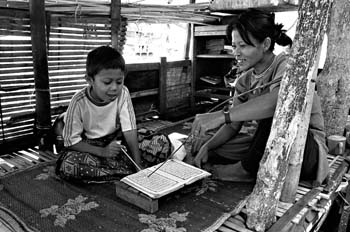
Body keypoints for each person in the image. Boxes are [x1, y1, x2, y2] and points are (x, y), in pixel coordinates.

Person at [191, 9, 329, 185]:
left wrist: (221, 115)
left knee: (276, 115)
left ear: (265, 44)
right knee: (204, 143)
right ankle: (246, 161)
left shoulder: (287, 65)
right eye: (234, 46)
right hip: (269, 144)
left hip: (303, 149)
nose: (236, 53)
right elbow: (233, 126)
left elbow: (278, 104)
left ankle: (244, 170)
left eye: (243, 46)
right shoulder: (244, 81)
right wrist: (208, 146)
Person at [56, 46, 142, 182]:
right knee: (69, 164)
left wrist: (139, 166)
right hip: (90, 146)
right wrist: (103, 152)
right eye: (107, 82)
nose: (114, 88)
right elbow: (71, 141)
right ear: (90, 80)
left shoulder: (123, 93)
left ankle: (126, 169)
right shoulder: (78, 102)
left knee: (160, 143)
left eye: (119, 82)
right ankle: (124, 169)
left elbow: (130, 130)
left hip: (116, 142)